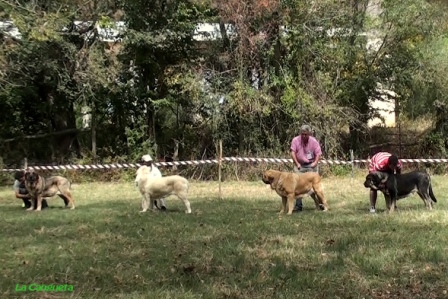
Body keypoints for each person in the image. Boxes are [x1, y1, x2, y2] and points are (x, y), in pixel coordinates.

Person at [290, 124, 322, 212]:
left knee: (316, 186)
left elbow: (318, 153)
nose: (304, 136)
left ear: (309, 134)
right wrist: (297, 163)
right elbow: (292, 152)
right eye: (302, 134)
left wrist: (315, 163)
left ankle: (321, 204)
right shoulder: (295, 140)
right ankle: (298, 206)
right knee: (296, 185)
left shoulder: (314, 141)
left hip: (311, 165)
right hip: (299, 165)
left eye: (306, 134)